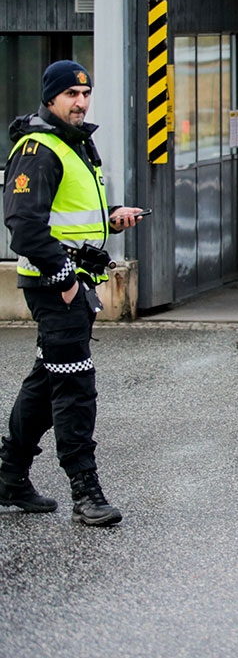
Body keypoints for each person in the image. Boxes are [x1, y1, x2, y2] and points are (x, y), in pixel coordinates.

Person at [0, 61, 145, 526]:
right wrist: (63, 279)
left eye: (85, 94)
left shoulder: (74, 143)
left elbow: (71, 215)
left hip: (75, 283)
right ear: (50, 98)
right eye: (71, 95)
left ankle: (9, 476)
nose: (81, 102)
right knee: (75, 386)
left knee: (47, 382)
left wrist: (113, 215)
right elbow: (24, 228)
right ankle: (87, 493)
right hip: (54, 287)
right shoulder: (38, 149)